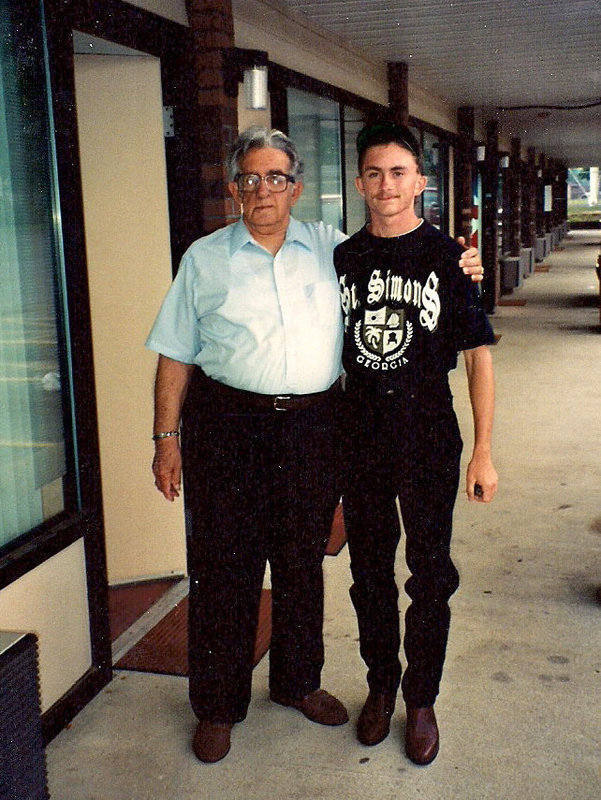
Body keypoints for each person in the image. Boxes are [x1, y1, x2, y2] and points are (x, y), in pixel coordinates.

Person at [145, 125, 484, 764]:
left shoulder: (332, 248)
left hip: (314, 426)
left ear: (296, 188)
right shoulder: (204, 259)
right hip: (228, 426)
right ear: (234, 189)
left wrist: (463, 263)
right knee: (225, 565)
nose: (264, 190)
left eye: (276, 177)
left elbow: (399, 248)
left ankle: (297, 683)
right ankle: (217, 707)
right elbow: (173, 354)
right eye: (251, 178)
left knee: (302, 562)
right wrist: (167, 440)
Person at [333, 121, 498, 766]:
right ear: (359, 183)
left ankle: (421, 699)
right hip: (361, 432)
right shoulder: (343, 258)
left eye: (398, 173)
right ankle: (381, 684)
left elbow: (479, 357)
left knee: (430, 573)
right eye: (374, 173)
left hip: (427, 430)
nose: (386, 185)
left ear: (420, 182)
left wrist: (483, 451)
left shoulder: (449, 259)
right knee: (368, 571)